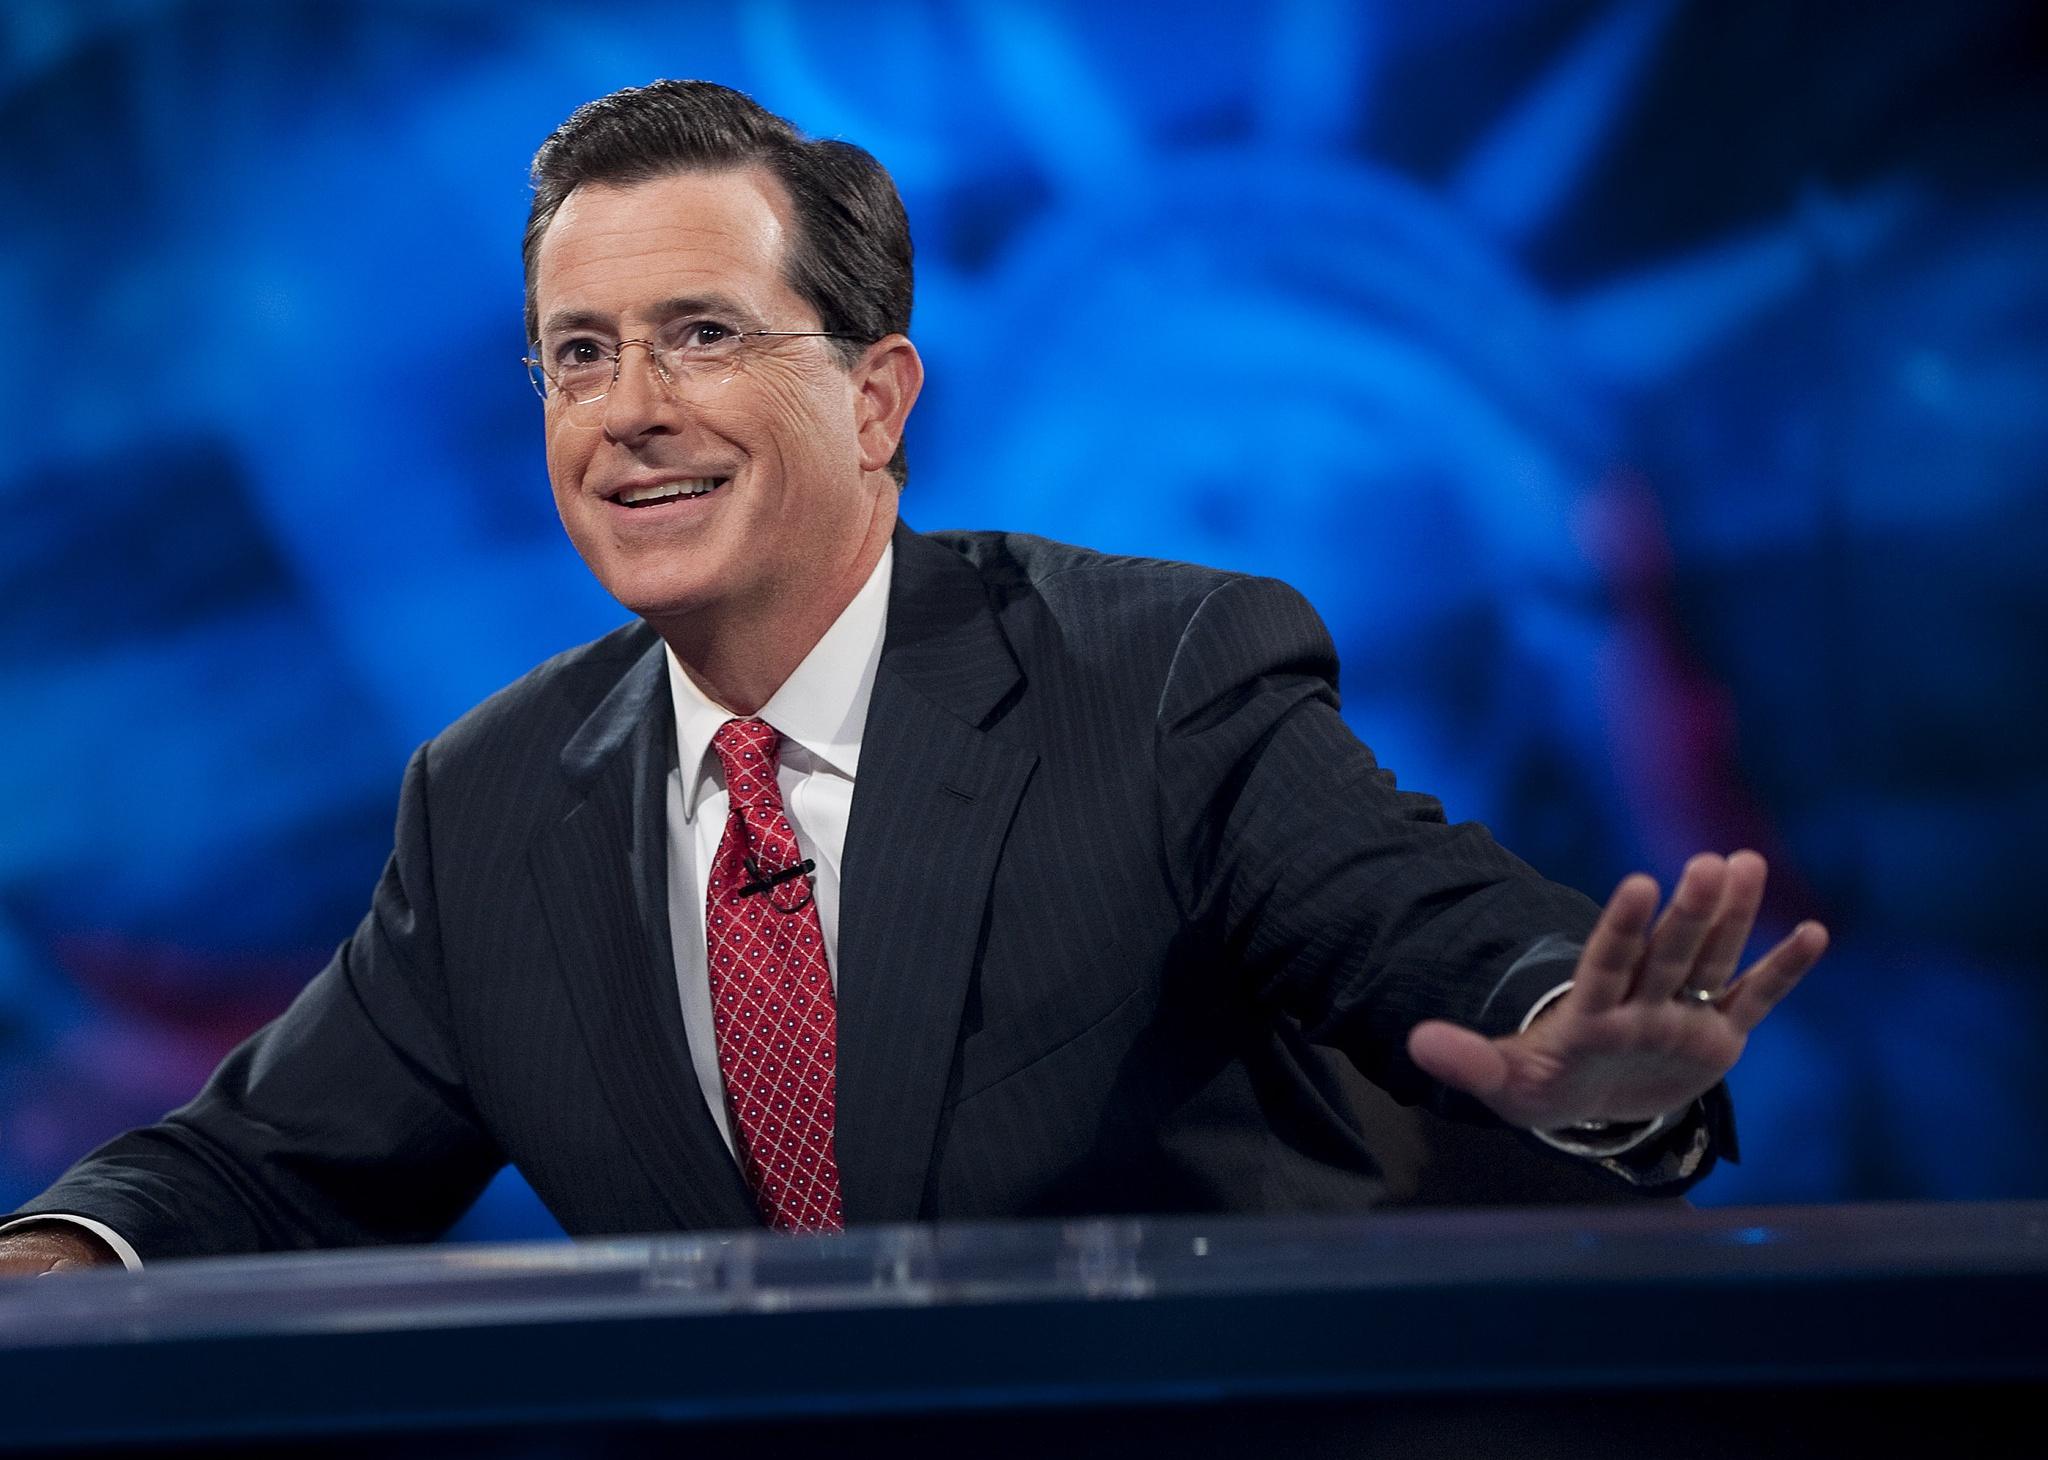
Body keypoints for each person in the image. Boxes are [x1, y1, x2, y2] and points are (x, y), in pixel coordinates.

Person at [1, 81, 1824, 1275]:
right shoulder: (489, 801)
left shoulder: (1159, 672)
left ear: (876, 400)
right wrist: (67, 1257)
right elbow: (264, 1168)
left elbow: (1431, 929)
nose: (628, 413)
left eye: (700, 337)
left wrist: (1588, 1057)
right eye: (578, 356)